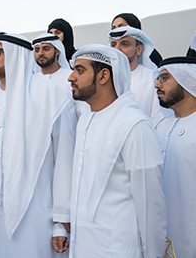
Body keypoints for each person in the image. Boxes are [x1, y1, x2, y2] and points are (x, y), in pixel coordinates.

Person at [0, 33, 75, 257]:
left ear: (17, 56)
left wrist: (61, 221)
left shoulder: (48, 95)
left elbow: (64, 159)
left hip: (35, 210)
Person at [67, 44, 167, 257]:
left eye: (80, 70)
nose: (71, 77)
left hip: (118, 247)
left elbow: (151, 204)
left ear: (103, 76)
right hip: (83, 245)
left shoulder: (134, 124)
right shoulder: (85, 119)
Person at [155, 56, 196, 258]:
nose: (157, 84)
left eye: (164, 78)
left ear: (187, 80)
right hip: (159, 234)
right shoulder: (160, 127)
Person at [109, 26, 165, 126]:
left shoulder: (152, 78)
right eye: (113, 45)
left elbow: (159, 120)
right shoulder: (104, 79)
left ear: (138, 49)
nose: (117, 49)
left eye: (125, 44)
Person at [32, 33, 89, 125]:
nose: (40, 53)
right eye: (37, 50)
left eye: (46, 49)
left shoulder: (72, 77)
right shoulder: (31, 81)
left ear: (57, 51)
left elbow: (83, 113)